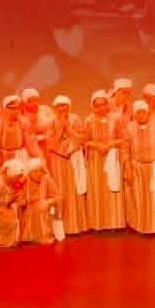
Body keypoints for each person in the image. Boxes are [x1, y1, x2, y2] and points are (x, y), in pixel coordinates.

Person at [125, 98, 155, 235]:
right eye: (138, 113)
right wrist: (127, 166)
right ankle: (140, 226)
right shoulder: (130, 127)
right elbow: (125, 148)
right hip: (137, 167)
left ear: (148, 113)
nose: (141, 115)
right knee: (139, 198)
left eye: (143, 112)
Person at [83, 89, 127, 231]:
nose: (101, 108)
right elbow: (85, 140)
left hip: (112, 157)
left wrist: (110, 144)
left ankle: (114, 223)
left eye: (103, 104)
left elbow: (124, 138)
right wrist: (96, 145)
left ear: (108, 104)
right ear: (93, 106)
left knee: (112, 188)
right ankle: (97, 224)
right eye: (97, 105)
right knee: (97, 190)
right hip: (95, 159)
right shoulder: (89, 120)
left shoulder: (116, 118)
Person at [46, 95, 87, 237]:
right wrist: (60, 130)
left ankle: (77, 225)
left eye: (64, 106)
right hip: (58, 159)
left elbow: (81, 138)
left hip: (74, 157)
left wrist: (68, 129)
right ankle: (61, 225)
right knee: (61, 188)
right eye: (59, 106)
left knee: (74, 188)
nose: (62, 109)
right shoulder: (51, 122)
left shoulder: (75, 119)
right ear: (55, 108)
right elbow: (50, 144)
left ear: (69, 107)